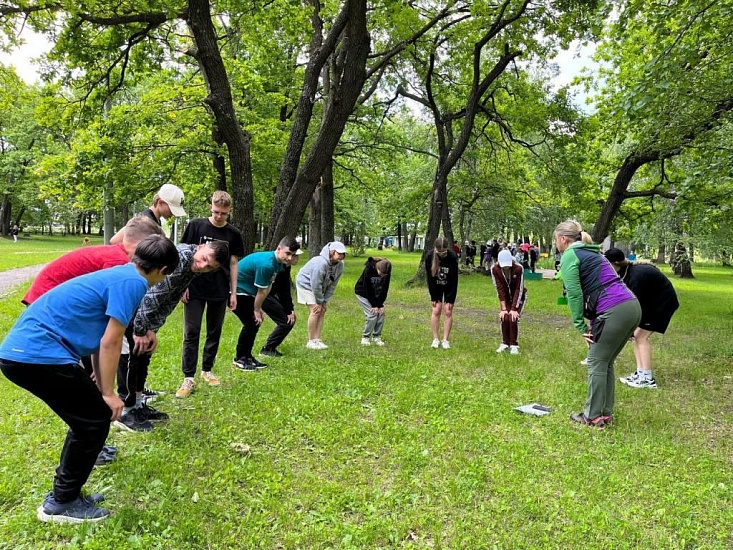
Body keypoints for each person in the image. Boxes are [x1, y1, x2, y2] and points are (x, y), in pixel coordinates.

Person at [0, 235, 179, 523]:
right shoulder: (134, 283)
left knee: (88, 418)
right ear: (163, 271)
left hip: (25, 354)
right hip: (37, 355)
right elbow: (111, 341)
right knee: (94, 420)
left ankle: (67, 494)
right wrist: (108, 393)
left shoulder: (120, 273)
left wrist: (99, 379)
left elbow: (99, 337)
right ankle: (61, 503)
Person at [115, 240, 228, 430]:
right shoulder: (180, 260)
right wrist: (141, 330)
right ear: (201, 247)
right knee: (131, 357)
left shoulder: (192, 268)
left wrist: (152, 329)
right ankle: (124, 412)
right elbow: (151, 297)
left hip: (144, 315)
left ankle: (137, 404)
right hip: (131, 305)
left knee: (143, 356)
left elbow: (169, 300)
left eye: (209, 267)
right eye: (204, 259)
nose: (202, 267)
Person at [555, 220, 641, 429]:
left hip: (615, 309)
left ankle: (592, 416)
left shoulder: (570, 255)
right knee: (605, 361)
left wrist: (580, 326)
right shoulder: (593, 253)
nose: (555, 243)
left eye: (555, 239)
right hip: (631, 306)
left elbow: (575, 294)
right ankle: (604, 414)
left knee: (596, 361)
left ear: (563, 239)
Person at [176, 191, 245, 398]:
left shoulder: (234, 234)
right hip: (195, 288)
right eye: (216, 212)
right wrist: (183, 284)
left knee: (214, 331)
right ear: (210, 208)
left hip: (220, 289)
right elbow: (183, 255)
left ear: (230, 211)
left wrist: (233, 292)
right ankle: (188, 377)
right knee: (192, 331)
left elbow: (233, 264)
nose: (219, 216)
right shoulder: (196, 226)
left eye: (224, 213)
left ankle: (207, 370)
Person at [604, 248, 680, 389]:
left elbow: (636, 305)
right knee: (636, 337)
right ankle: (641, 373)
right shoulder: (626, 272)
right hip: (652, 302)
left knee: (641, 337)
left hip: (661, 304)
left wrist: (629, 326)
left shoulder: (635, 277)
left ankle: (647, 379)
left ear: (615, 263)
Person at [231, 237, 299, 371]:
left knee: (254, 324)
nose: (290, 258)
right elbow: (262, 291)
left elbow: (268, 287)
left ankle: (247, 356)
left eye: (293, 254)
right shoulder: (267, 264)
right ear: (279, 249)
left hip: (247, 292)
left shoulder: (277, 263)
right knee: (251, 323)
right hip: (236, 291)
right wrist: (256, 309)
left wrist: (257, 307)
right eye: (287, 253)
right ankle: (240, 359)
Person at [295, 241, 347, 350]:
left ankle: (317, 339)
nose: (341, 256)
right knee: (315, 310)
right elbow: (315, 284)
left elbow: (332, 285)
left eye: (343, 254)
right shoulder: (320, 263)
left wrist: (324, 301)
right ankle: (311, 341)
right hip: (306, 284)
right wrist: (319, 302)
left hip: (318, 287)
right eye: (339, 253)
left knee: (322, 310)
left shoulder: (340, 265)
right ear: (332, 252)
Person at [259, 247, 303, 357]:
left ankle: (269, 347)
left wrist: (290, 309)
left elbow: (284, 290)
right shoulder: (279, 267)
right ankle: (268, 348)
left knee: (288, 320)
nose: (297, 258)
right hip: (263, 294)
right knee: (286, 321)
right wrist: (288, 311)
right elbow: (283, 291)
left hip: (269, 294)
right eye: (296, 256)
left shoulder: (285, 267)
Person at [109, 183, 186, 244]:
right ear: (160, 202)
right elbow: (115, 241)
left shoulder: (155, 220)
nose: (173, 213)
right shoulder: (144, 221)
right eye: (171, 208)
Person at [425, 236, 458, 349]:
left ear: (447, 249)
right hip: (436, 287)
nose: (442, 253)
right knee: (436, 310)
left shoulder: (452, 257)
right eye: (439, 251)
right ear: (435, 249)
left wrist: (450, 299)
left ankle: (445, 340)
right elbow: (429, 279)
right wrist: (433, 296)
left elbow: (454, 279)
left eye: (444, 251)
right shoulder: (429, 256)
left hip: (449, 287)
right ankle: (435, 339)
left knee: (448, 311)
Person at [492, 249, 527, 355]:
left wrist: (514, 309)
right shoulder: (494, 269)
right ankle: (505, 343)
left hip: (519, 297)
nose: (506, 268)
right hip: (506, 298)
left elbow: (518, 289)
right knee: (505, 317)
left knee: (513, 317)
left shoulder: (519, 268)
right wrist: (503, 308)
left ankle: (514, 344)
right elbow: (499, 288)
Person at [354, 257, 392, 346]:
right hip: (363, 293)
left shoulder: (387, 269)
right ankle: (365, 337)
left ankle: (376, 337)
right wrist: (374, 305)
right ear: (376, 268)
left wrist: (380, 305)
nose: (382, 276)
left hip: (376, 293)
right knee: (372, 314)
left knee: (381, 313)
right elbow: (367, 288)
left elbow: (385, 288)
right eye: (381, 274)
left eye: (384, 275)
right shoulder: (369, 269)